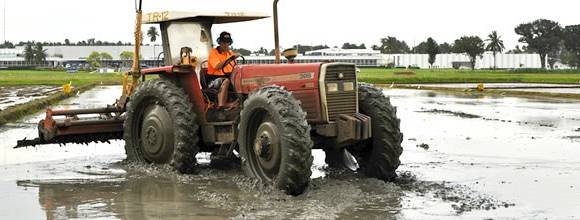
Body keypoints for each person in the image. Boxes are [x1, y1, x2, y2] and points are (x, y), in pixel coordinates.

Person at [207, 31, 239, 109]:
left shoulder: (229, 53)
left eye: (227, 42)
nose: (225, 45)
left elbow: (235, 67)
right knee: (225, 81)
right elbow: (217, 66)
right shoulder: (213, 52)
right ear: (220, 42)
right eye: (223, 42)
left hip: (229, 76)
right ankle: (221, 105)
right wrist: (230, 59)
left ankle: (239, 100)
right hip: (214, 79)